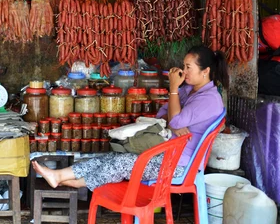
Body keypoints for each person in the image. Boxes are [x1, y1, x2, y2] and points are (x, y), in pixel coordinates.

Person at [33, 46, 227, 191]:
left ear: (206, 71)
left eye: (188, 67)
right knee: (114, 156)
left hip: (179, 165)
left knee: (123, 163)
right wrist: (175, 122)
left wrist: (173, 91)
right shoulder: (189, 91)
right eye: (184, 66)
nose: (183, 72)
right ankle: (60, 175)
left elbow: (174, 120)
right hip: (166, 153)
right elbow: (163, 114)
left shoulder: (209, 99)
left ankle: (72, 182)